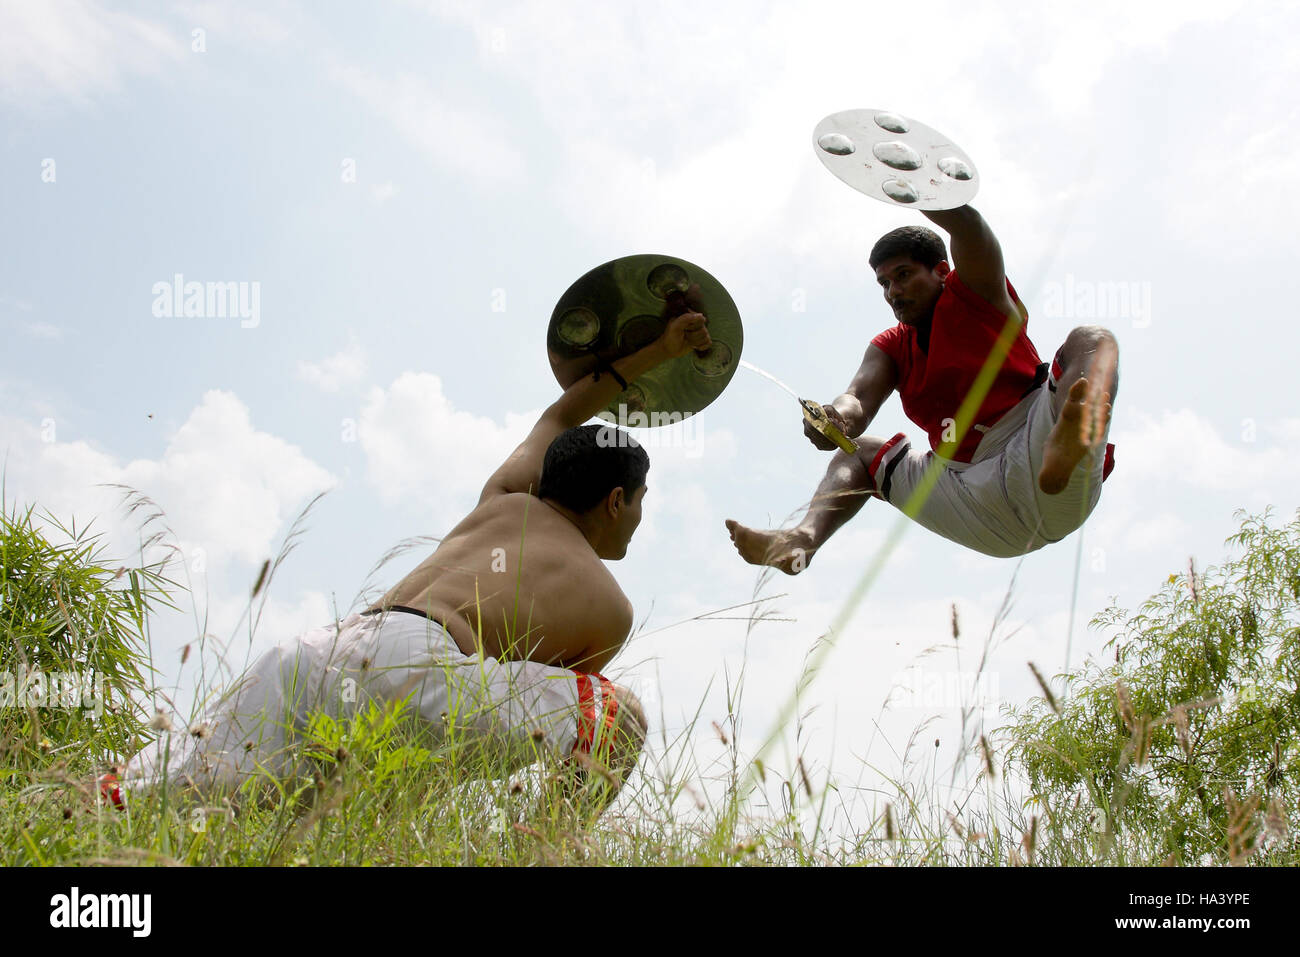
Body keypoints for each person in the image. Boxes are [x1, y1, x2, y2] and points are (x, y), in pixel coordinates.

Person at [114, 307, 713, 814]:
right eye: (640, 503)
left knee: (169, 789)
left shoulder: (502, 500)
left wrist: (657, 349)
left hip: (313, 652)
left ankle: (64, 805)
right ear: (616, 501)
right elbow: (545, 721)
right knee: (618, 717)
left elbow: (558, 418)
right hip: (414, 670)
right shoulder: (609, 607)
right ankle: (543, 854)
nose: (639, 517)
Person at [725, 204, 1117, 572]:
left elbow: (970, 227)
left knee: (1092, 339)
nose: (893, 291)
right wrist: (836, 417)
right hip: (972, 498)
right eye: (884, 283)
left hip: (1038, 452)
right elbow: (857, 399)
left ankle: (1072, 440)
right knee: (857, 455)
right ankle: (803, 539)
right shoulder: (891, 345)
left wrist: (919, 186)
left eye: (904, 275)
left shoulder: (977, 294)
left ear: (943, 271)